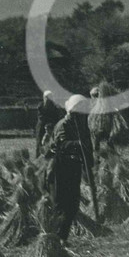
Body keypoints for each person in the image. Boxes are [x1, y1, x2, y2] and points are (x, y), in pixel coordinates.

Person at [44, 94, 94, 242]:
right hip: (59, 169)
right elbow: (61, 144)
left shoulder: (82, 127)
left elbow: (87, 148)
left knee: (72, 205)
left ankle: (62, 238)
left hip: (74, 169)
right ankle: (56, 239)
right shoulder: (63, 125)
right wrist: (77, 144)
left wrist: (89, 165)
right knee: (61, 206)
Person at [34, 90, 64, 158]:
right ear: (44, 97)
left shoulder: (55, 106)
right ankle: (38, 157)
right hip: (41, 127)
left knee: (52, 142)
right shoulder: (41, 106)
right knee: (39, 143)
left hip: (52, 127)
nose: (48, 99)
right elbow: (41, 117)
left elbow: (57, 116)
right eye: (47, 97)